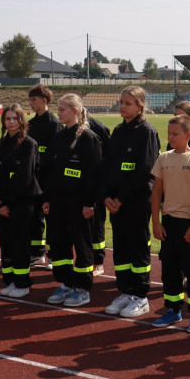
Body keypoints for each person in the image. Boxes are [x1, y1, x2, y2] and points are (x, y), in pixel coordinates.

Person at [100, 86, 160, 318]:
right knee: (121, 248)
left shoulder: (147, 132)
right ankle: (125, 290)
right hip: (115, 203)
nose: (122, 106)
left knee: (137, 247)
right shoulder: (118, 130)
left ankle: (140, 295)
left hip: (135, 201)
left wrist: (120, 197)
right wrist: (106, 195)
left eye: (127, 103)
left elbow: (145, 171)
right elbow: (107, 166)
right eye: (121, 102)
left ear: (140, 106)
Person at [149, 115, 190, 333]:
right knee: (170, 269)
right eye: (169, 133)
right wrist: (156, 222)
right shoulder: (163, 158)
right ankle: (173, 309)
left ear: (189, 135)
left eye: (175, 134)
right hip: (169, 222)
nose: (171, 137)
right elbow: (156, 192)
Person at [42, 94, 102, 308]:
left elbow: (94, 174)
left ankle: (82, 289)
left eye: (62, 110)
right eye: (58, 109)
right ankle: (65, 283)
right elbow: (49, 170)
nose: (58, 113)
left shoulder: (89, 138)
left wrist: (89, 203)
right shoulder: (58, 137)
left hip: (79, 203)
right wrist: (47, 198)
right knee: (58, 243)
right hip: (57, 201)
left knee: (82, 243)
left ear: (76, 112)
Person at [0, 103, 41, 298]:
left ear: (22, 120)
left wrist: (7, 202)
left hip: (22, 203)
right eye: (8, 118)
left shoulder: (29, 144)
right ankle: (10, 280)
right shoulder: (1, 144)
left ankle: (22, 283)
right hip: (3, 203)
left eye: (15, 118)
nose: (11, 122)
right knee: (7, 243)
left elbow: (25, 178)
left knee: (20, 244)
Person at [26, 85, 62, 269]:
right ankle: (38, 254)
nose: (30, 103)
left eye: (34, 99)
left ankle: (55, 257)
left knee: (52, 220)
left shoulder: (54, 124)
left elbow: (55, 155)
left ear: (44, 101)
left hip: (49, 180)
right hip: (34, 180)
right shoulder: (31, 124)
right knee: (35, 218)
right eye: (30, 99)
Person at [85, 114, 112, 276]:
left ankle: (98, 261)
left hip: (97, 185)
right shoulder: (66, 128)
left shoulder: (98, 127)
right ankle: (86, 259)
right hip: (79, 187)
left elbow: (109, 156)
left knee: (96, 224)